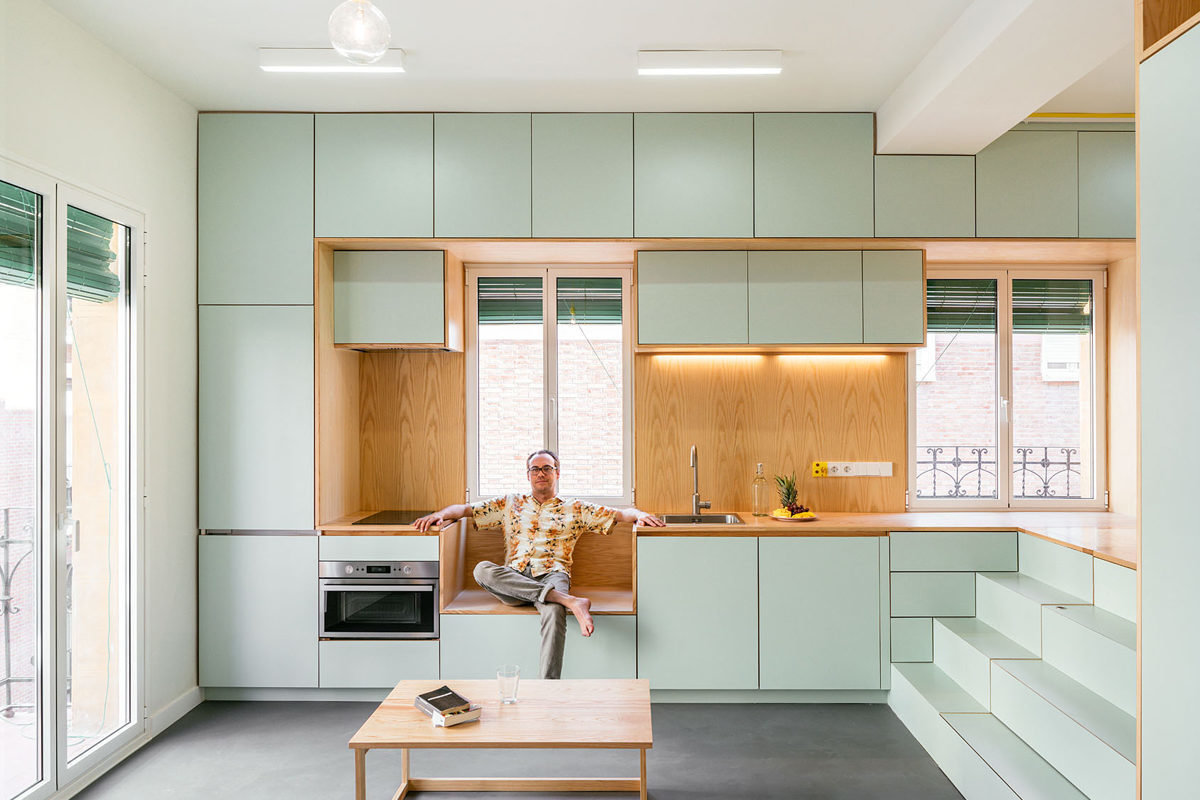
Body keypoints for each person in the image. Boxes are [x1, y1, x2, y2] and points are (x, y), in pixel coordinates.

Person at [415, 449, 664, 679]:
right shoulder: (510, 503)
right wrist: (439, 515)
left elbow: (621, 514)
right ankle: (569, 601)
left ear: (557, 473)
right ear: (528, 475)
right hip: (514, 579)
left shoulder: (575, 508)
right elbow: (464, 509)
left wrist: (640, 515)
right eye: (535, 469)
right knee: (482, 570)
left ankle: (548, 688)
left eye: (547, 468)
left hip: (553, 575)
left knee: (554, 611)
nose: (541, 474)